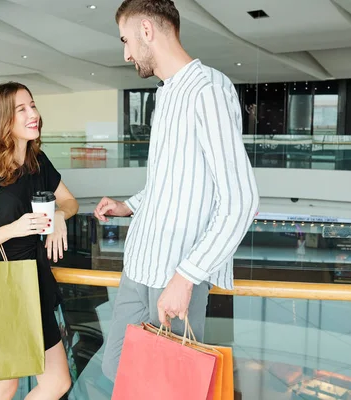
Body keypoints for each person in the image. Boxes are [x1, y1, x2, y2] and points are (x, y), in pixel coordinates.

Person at [94, 0, 260, 382]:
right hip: (139, 263)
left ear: (147, 31)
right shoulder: (165, 93)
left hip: (174, 272)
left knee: (165, 385)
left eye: (126, 40)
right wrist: (129, 206)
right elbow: (169, 182)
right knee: (116, 369)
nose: (126, 53)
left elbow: (241, 201)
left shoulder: (209, 89)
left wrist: (186, 278)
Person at [0, 82, 77, 400]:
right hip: (3, 291)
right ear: (2, 120)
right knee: (4, 386)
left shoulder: (38, 163)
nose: (33, 114)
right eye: (22, 109)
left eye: (32, 105)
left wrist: (60, 216)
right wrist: (13, 229)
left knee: (58, 382)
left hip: (36, 285)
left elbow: (70, 203)